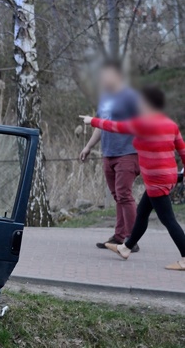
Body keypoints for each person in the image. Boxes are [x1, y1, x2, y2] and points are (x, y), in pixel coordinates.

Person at [80, 86, 185, 271]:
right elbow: (183, 151)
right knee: (143, 212)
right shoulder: (170, 124)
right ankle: (126, 247)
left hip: (156, 180)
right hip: (168, 176)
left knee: (168, 220)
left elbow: (116, 126)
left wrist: (92, 121)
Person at [79, 60, 141, 251]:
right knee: (118, 196)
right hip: (109, 153)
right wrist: (88, 146)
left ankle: (131, 239)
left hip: (128, 153)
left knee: (124, 195)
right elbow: (100, 125)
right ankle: (120, 236)